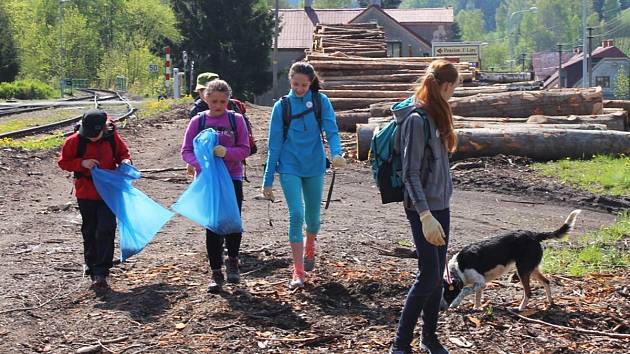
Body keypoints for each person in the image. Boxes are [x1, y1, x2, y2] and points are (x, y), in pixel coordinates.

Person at [389, 60, 460, 354]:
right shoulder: (417, 120)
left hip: (440, 206)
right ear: (445, 86)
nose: (453, 94)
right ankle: (400, 344)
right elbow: (410, 173)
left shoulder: (437, 116)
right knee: (429, 274)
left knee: (436, 274)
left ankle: (429, 338)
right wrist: (425, 214)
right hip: (423, 209)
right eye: (453, 89)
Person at [261, 61, 345, 288]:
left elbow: (332, 131)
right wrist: (267, 180)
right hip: (289, 165)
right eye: (295, 84)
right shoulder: (282, 107)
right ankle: (298, 271)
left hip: (315, 164)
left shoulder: (321, 101)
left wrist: (337, 153)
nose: (299, 88)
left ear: (311, 83)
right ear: (290, 81)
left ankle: (310, 247)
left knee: (313, 221)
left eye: (304, 85)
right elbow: (274, 145)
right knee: (296, 214)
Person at [181, 79, 250, 293]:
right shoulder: (198, 121)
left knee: (232, 219)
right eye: (214, 101)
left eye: (222, 101)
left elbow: (245, 149)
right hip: (208, 179)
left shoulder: (236, 120)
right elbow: (186, 151)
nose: (218, 105)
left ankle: (233, 261)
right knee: (212, 225)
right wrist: (203, 162)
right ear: (205, 99)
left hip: (232, 176)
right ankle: (215, 270)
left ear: (228, 100)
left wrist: (226, 153)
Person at [58, 109, 131, 290]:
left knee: (106, 228)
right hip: (86, 193)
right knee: (90, 230)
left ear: (104, 129)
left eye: (95, 134)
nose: (91, 137)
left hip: (108, 192)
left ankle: (102, 272)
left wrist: (126, 162)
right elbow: (63, 162)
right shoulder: (73, 141)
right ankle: (91, 267)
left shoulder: (112, 138)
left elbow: (123, 154)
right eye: (87, 134)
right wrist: (81, 163)